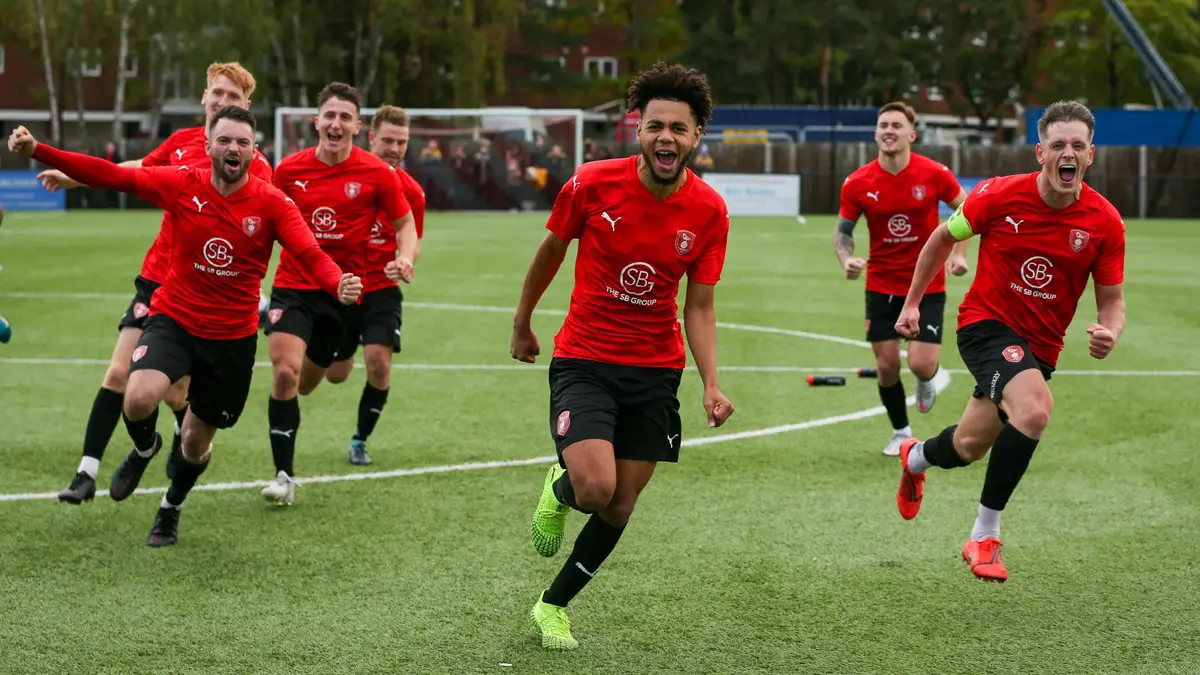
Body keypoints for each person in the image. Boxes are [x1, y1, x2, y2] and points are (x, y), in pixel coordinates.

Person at [8, 108, 362, 546]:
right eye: (226, 141)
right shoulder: (182, 182)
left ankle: (171, 505)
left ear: (255, 151)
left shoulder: (271, 202)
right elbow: (108, 175)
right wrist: (39, 151)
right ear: (210, 145)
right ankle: (143, 447)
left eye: (243, 143)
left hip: (230, 341)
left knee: (195, 442)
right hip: (174, 319)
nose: (234, 149)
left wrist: (337, 281)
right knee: (137, 398)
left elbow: (309, 252)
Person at [510, 62, 734, 650]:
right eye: (655, 125)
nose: (667, 138)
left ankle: (552, 606)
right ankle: (560, 488)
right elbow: (551, 250)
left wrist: (711, 383)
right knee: (593, 488)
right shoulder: (590, 183)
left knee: (621, 501)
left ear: (696, 137)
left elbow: (701, 307)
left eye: (679, 129)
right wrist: (523, 322)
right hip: (585, 359)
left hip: (656, 372)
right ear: (637, 128)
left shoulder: (710, 212)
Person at [891, 100, 1126, 583]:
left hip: (1041, 347)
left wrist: (1110, 330)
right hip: (985, 325)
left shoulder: (1104, 223)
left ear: (1090, 155)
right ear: (1040, 152)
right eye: (1058, 144)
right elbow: (940, 238)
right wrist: (913, 304)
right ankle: (984, 535)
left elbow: (1112, 301)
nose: (1068, 153)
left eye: (1077, 145)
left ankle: (914, 457)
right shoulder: (996, 195)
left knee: (969, 444)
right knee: (1035, 409)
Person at [42, 62, 274, 505]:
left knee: (176, 392)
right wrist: (73, 175)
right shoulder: (183, 143)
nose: (222, 102)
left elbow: (257, 232)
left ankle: (178, 451)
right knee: (119, 373)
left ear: (245, 107)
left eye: (232, 97)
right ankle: (87, 472)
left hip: (206, 296)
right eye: (216, 93)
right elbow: (137, 170)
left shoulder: (252, 165)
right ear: (204, 98)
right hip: (158, 280)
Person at [260, 83, 416, 503]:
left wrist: (406, 257)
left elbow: (405, 224)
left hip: (344, 294)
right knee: (285, 374)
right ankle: (284, 475)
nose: (336, 123)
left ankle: (346, 423)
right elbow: (265, 218)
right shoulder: (288, 170)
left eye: (345, 116)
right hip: (294, 286)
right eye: (329, 115)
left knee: (318, 380)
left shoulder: (377, 174)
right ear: (316, 122)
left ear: (356, 125)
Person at [836, 101, 970, 457]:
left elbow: (966, 210)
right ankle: (900, 432)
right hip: (880, 283)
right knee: (887, 364)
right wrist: (847, 259)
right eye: (883, 126)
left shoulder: (934, 173)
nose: (889, 131)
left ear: (911, 134)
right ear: (876, 133)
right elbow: (843, 232)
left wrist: (958, 254)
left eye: (896, 125)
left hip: (927, 284)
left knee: (921, 365)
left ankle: (927, 381)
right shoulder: (858, 182)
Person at [323, 105, 426, 465]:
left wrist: (406, 260)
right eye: (388, 141)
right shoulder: (344, 175)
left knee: (378, 363)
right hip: (342, 288)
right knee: (335, 374)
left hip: (381, 289)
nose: (395, 149)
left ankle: (359, 439)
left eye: (402, 142)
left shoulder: (412, 191)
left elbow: (412, 237)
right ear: (370, 138)